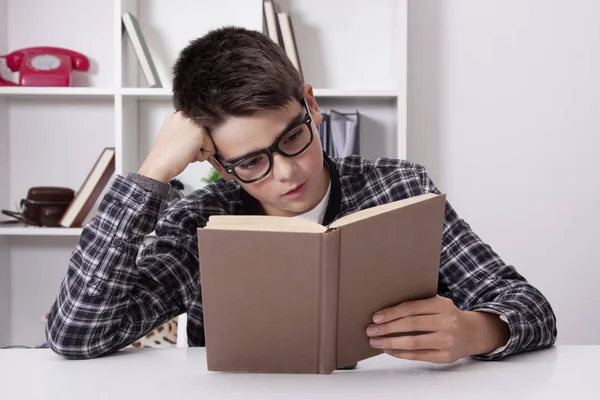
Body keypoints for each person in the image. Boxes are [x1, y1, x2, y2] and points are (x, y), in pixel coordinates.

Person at [45, 26, 557, 364]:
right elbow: (75, 334)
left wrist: (476, 330)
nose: (287, 172)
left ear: (310, 104)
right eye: (249, 161)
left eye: (292, 136)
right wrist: (153, 172)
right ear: (216, 162)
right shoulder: (201, 222)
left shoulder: (400, 188)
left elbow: (531, 307)